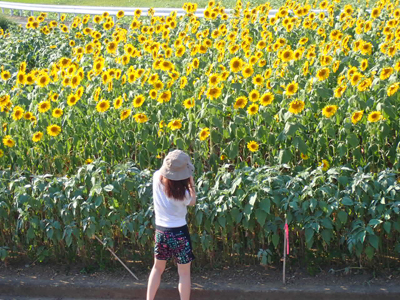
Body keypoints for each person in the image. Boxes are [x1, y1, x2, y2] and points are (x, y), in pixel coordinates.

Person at [146, 149, 196, 300]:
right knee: (184, 273)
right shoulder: (184, 194)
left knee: (157, 268)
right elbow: (193, 201)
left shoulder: (156, 177)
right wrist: (191, 184)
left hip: (161, 231)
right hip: (180, 233)